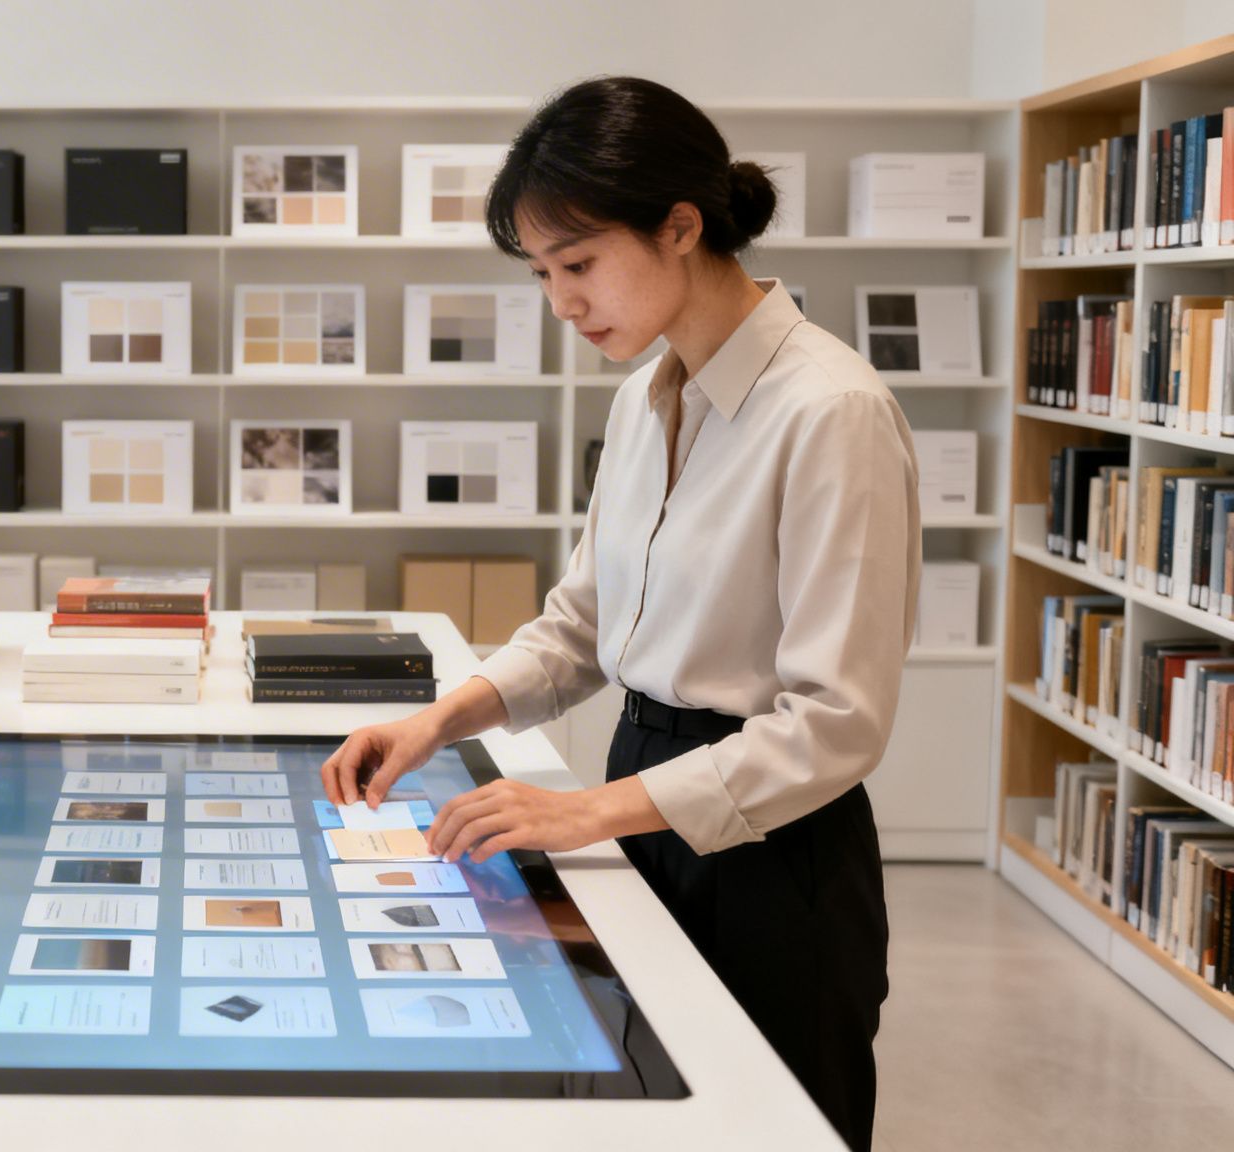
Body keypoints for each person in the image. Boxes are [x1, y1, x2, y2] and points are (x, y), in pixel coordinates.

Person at [320, 76, 919, 1152]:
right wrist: (435, 721)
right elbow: (581, 627)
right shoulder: (643, 399)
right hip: (645, 798)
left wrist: (587, 813)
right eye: (542, 272)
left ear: (679, 226)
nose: (560, 300)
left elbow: (836, 722)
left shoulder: (830, 411)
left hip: (775, 856)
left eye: (578, 263)